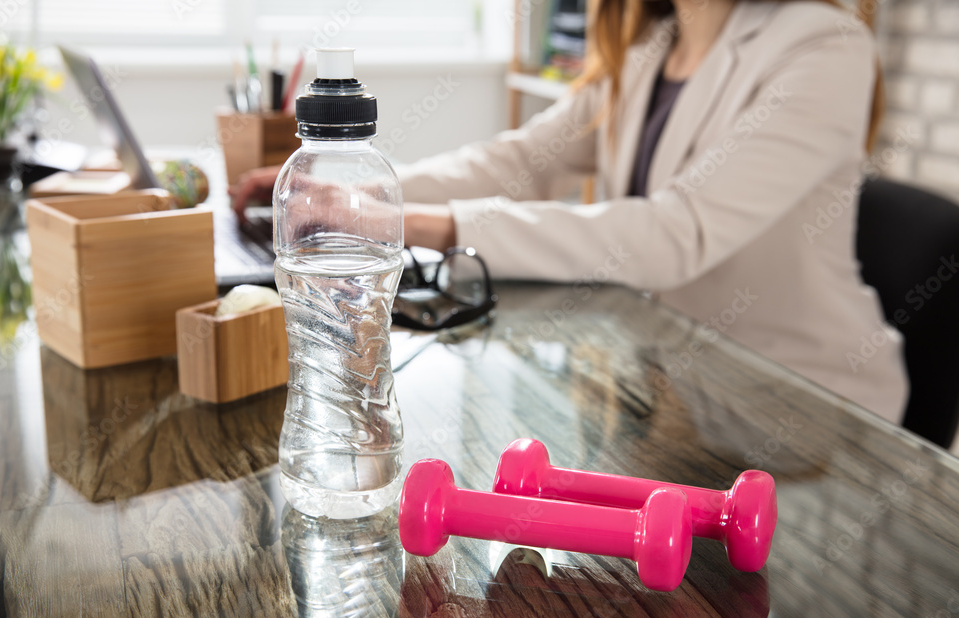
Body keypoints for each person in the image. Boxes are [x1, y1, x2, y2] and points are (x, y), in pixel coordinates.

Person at [231, 0, 907, 423]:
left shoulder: (825, 46)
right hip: (668, 386)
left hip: (801, 409)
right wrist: (349, 185)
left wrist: (403, 222)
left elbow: (680, 232)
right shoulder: (654, 46)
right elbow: (519, 160)